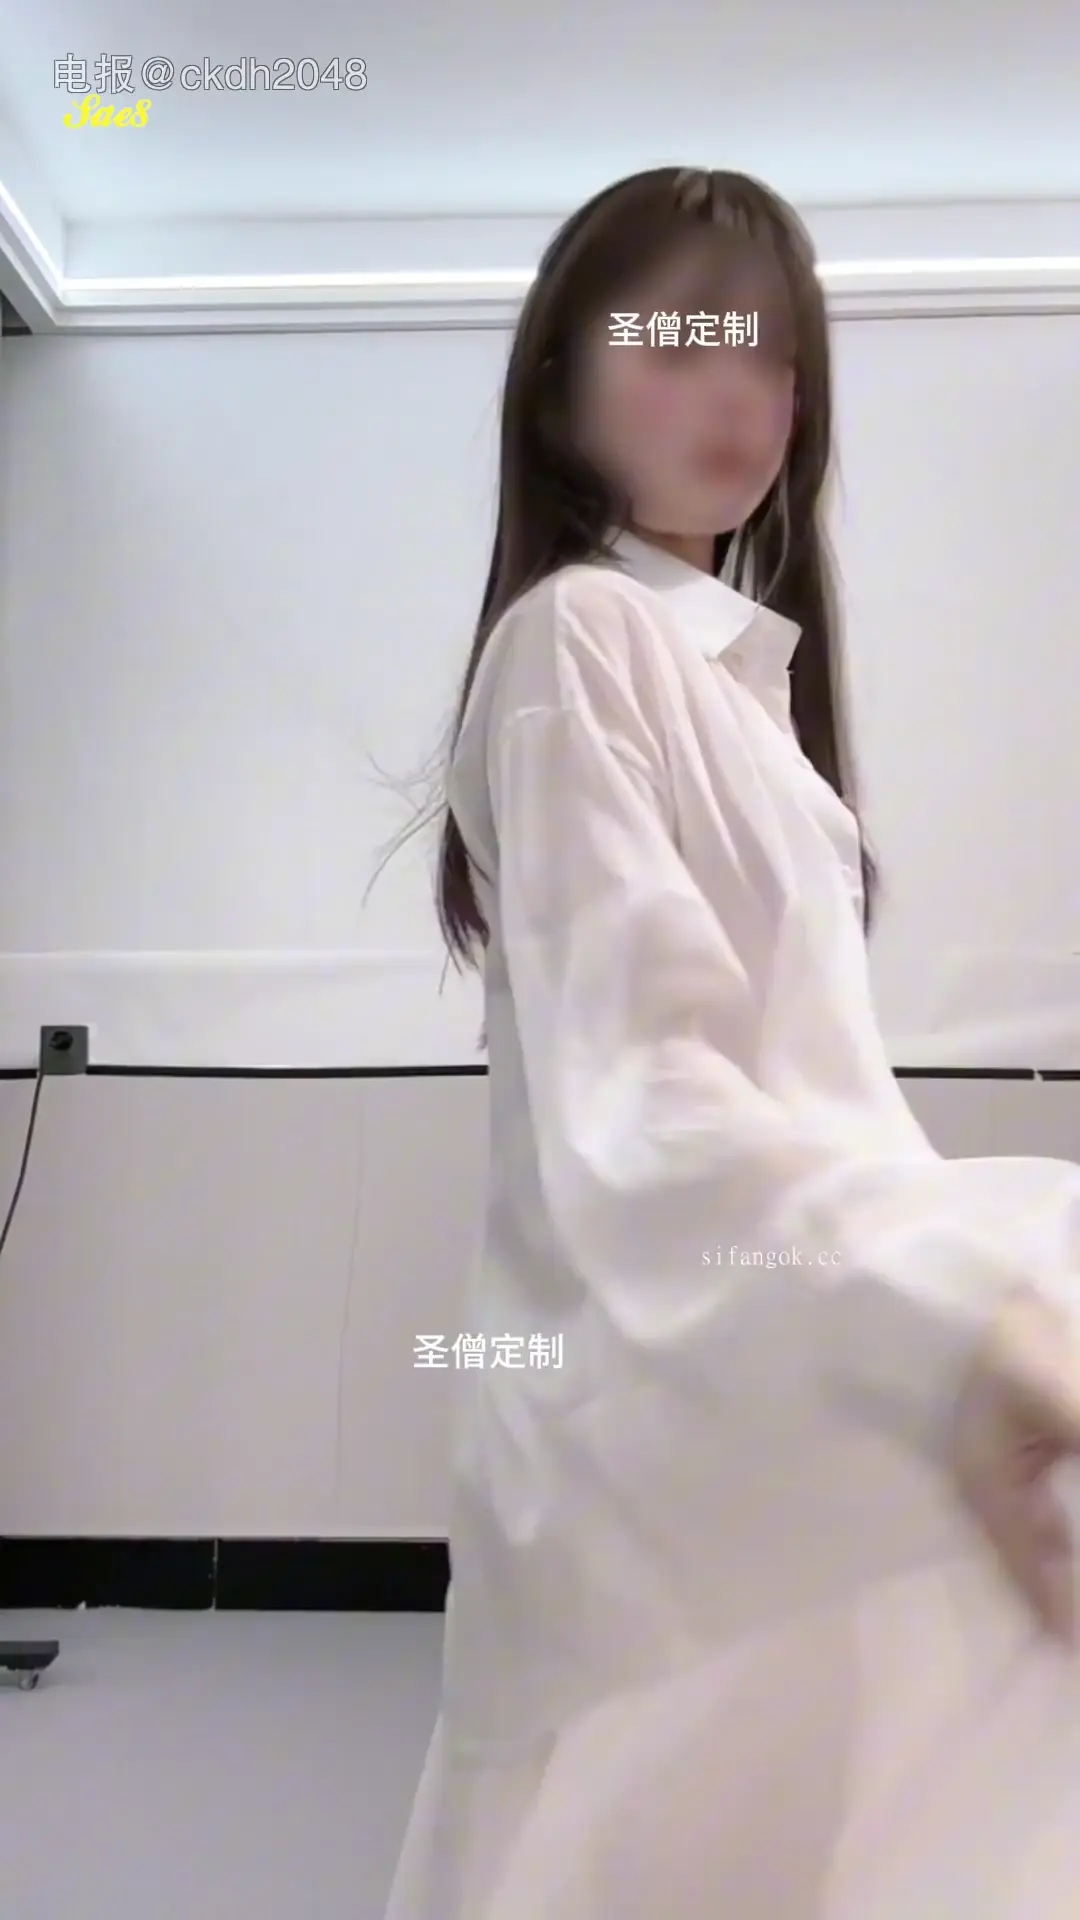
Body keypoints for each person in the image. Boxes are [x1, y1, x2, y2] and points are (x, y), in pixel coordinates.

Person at [384, 166, 1080, 1919]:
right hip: (685, 1394)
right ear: (560, 382)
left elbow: (788, 1099)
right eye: (676, 340)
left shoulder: (748, 700)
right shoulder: (578, 639)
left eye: (768, 354)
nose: (737, 393)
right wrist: (952, 1314)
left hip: (799, 1354)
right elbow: (645, 1096)